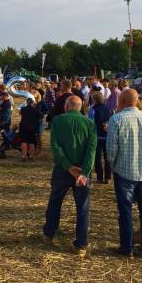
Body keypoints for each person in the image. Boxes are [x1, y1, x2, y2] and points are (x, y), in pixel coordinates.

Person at [106, 89, 142, 257]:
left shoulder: (116, 119)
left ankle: (126, 247)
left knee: (125, 209)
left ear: (121, 101)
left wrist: (113, 165)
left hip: (124, 172)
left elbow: (111, 149)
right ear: (136, 101)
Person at [43, 96, 97, 257]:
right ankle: (81, 244)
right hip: (82, 171)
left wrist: (67, 166)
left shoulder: (58, 121)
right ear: (80, 108)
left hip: (62, 169)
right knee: (82, 207)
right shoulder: (89, 123)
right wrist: (84, 172)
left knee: (55, 201)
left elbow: (55, 146)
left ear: (67, 106)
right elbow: (91, 149)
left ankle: (49, 234)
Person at [89, 92, 112, 184]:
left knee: (97, 158)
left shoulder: (92, 110)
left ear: (94, 100)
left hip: (97, 136)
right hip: (107, 136)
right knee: (107, 158)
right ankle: (108, 177)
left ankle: (99, 177)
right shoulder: (108, 108)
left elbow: (90, 123)